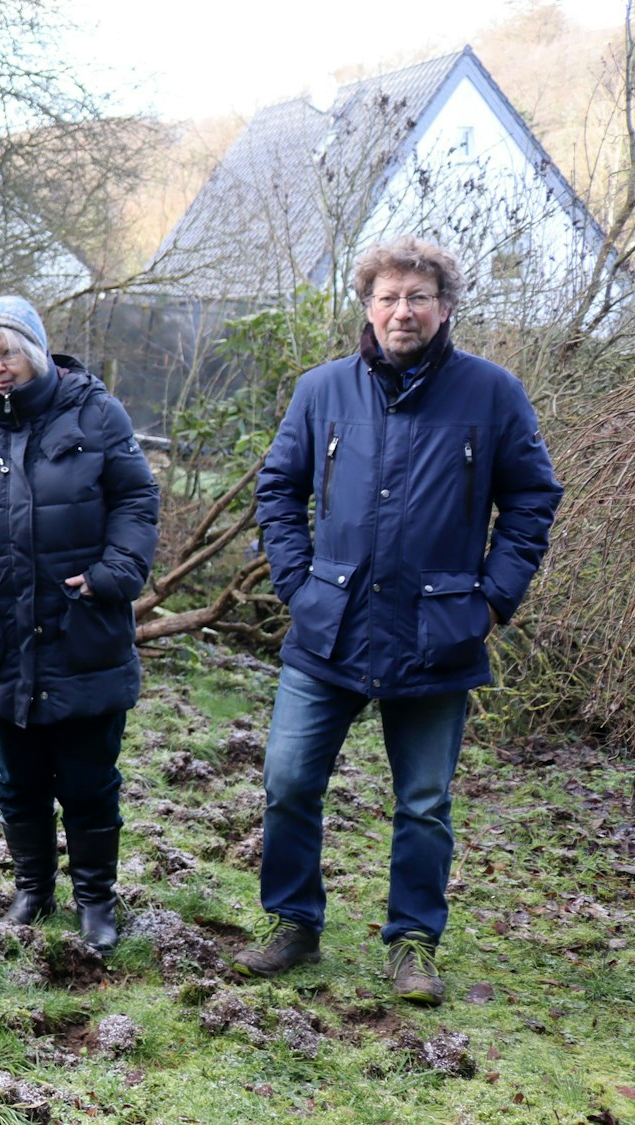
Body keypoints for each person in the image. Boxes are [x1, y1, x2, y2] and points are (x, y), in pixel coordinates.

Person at [234, 236, 562, 1004]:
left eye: (418, 297)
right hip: (330, 627)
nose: (402, 311)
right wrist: (297, 581)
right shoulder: (322, 390)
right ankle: (293, 922)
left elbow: (532, 501)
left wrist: (489, 600)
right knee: (287, 781)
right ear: (368, 307)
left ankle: (413, 939)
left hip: (438, 633)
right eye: (387, 297)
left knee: (422, 800)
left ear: (445, 307)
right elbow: (278, 489)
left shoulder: (493, 393)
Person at [0, 296, 159, 952]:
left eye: (9, 354)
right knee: (18, 776)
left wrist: (112, 574)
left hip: (83, 630)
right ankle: (31, 891)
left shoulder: (95, 413)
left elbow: (137, 497)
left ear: (36, 353)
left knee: (88, 779)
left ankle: (96, 902)